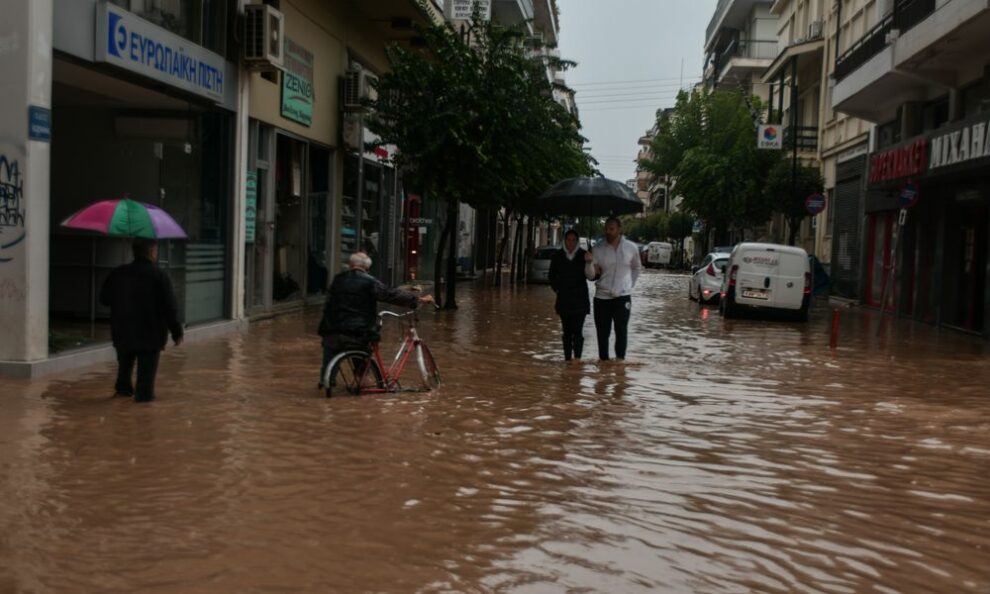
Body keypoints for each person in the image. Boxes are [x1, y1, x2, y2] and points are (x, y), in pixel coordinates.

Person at [317, 252, 434, 387]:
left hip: (331, 329)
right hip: (358, 331)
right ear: (367, 268)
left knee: (331, 348)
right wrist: (418, 299)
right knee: (363, 351)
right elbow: (391, 295)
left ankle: (325, 380)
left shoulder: (338, 280)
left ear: (350, 265)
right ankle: (362, 380)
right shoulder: (370, 282)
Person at [99, 238, 183, 402]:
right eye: (156, 251)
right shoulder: (159, 276)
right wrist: (176, 332)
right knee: (145, 389)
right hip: (150, 335)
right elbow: (170, 307)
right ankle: (143, 419)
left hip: (123, 332)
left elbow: (104, 299)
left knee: (124, 375)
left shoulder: (118, 273)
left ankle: (122, 400)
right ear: (152, 252)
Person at [584, 217, 641, 360]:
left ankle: (620, 364)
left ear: (618, 229)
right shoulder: (597, 248)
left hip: (623, 297)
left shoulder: (630, 247)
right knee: (603, 333)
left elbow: (636, 267)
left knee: (621, 331)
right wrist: (589, 263)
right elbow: (591, 276)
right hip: (602, 297)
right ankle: (603, 365)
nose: (608, 232)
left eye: (612, 229)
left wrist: (629, 285)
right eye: (606, 229)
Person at [549, 229, 590, 361]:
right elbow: (551, 276)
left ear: (577, 242)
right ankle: (567, 359)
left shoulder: (584, 256)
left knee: (578, 331)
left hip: (580, 301)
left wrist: (589, 262)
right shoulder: (557, 256)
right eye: (568, 240)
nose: (571, 243)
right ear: (564, 241)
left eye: (574, 240)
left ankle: (577, 359)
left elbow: (591, 276)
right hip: (564, 300)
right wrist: (558, 289)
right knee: (567, 332)